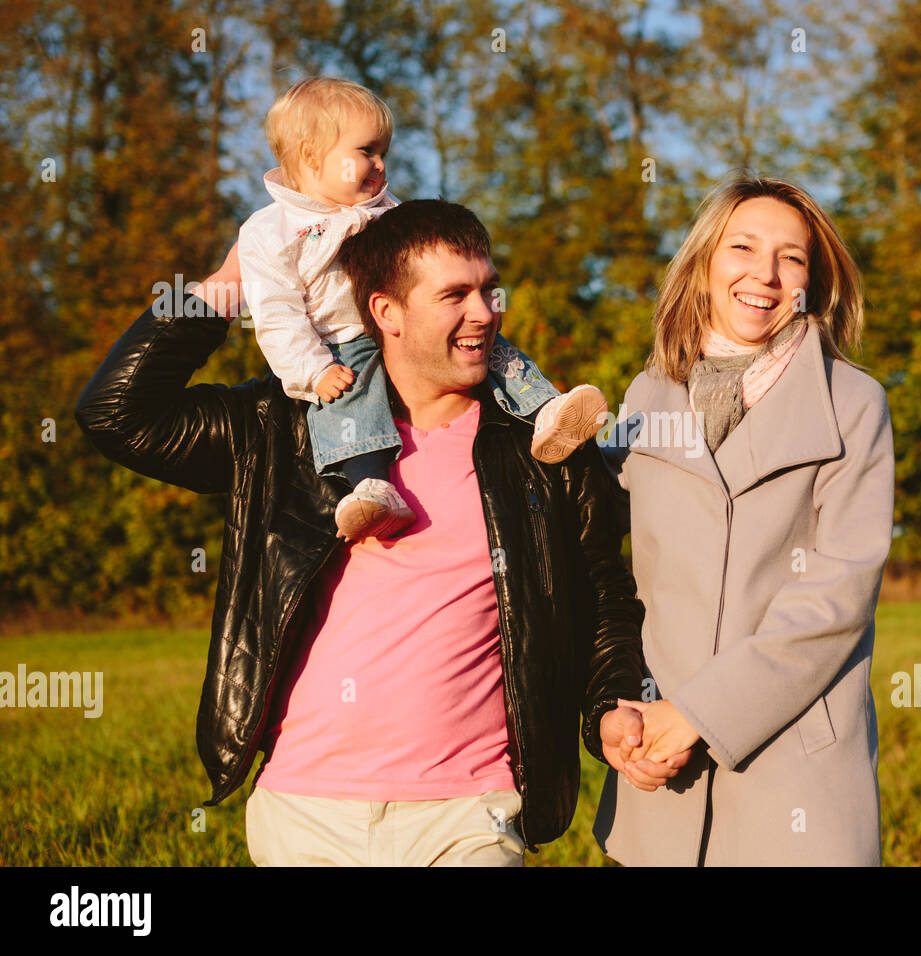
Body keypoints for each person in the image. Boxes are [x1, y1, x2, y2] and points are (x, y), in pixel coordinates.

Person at [75, 198, 691, 866]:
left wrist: (608, 706)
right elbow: (117, 415)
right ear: (385, 312)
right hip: (305, 810)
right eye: (454, 294)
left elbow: (602, 593)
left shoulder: (540, 450)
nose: (484, 312)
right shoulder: (284, 427)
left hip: (471, 812)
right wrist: (237, 274)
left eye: (488, 288)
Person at [592, 175, 896, 866]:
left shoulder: (854, 402)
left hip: (791, 764)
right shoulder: (647, 392)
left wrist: (697, 714)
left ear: (811, 281)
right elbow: (599, 564)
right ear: (704, 262)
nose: (765, 272)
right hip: (657, 759)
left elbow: (835, 599)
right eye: (743, 246)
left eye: (791, 257)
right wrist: (616, 708)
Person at [240, 76, 608, 543]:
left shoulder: (385, 211)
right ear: (312, 154)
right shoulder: (271, 231)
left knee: (495, 349)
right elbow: (276, 312)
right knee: (348, 401)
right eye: (368, 151)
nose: (380, 164)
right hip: (339, 341)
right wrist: (311, 371)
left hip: (409, 329)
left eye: (383, 153)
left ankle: (547, 413)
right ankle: (371, 486)